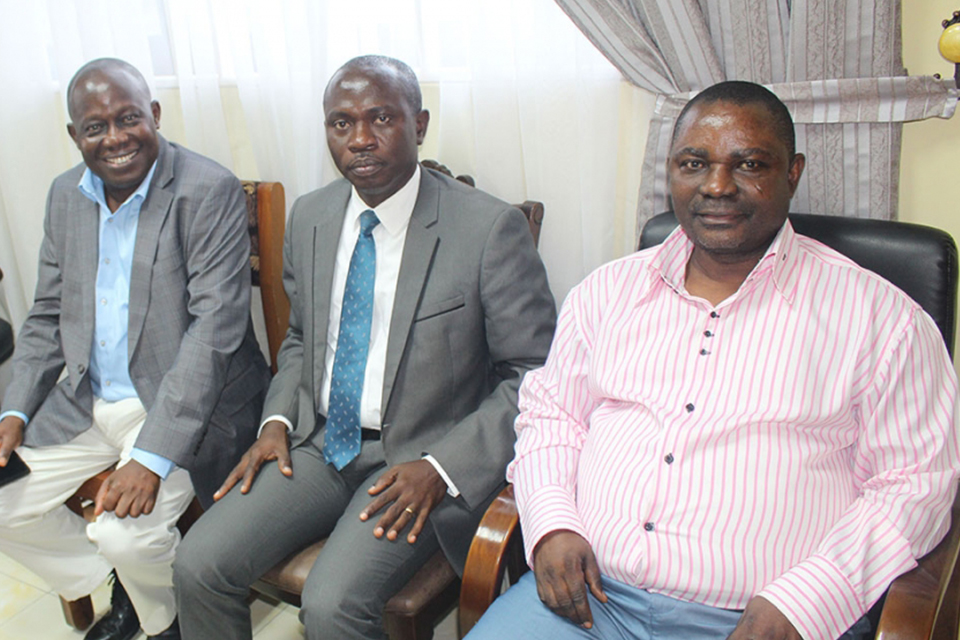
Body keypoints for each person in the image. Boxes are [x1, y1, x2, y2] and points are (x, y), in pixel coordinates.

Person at [465, 81, 960, 640]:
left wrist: (810, 599)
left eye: (748, 164)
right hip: (585, 601)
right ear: (671, 171)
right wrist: (552, 523)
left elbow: (914, 486)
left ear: (792, 173)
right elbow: (552, 420)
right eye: (694, 163)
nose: (717, 186)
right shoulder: (604, 293)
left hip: (764, 620)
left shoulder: (884, 319)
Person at [173, 55, 557, 640]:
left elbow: (532, 374)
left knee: (331, 607)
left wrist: (440, 467)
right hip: (318, 441)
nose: (360, 140)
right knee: (198, 564)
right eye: (341, 123)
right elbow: (301, 338)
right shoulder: (312, 215)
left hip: (420, 459)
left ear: (419, 124)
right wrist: (277, 418)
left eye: (381, 118)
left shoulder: (488, 229)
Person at [0, 58, 270, 640]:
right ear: (74, 136)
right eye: (95, 127)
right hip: (86, 398)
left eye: (128, 118)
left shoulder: (206, 189)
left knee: (124, 531)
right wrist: (13, 410)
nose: (115, 137)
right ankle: (130, 582)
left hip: (184, 401)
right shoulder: (64, 196)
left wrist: (150, 457)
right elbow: (47, 313)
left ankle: (161, 621)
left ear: (154, 114)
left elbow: (215, 331)